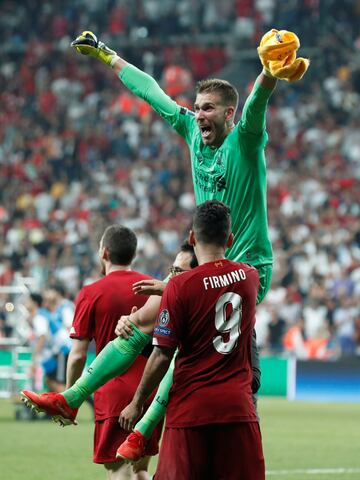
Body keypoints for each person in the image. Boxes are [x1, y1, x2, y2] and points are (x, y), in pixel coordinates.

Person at [119, 200, 265, 480]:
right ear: (230, 239)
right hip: (238, 409)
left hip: (191, 411)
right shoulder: (249, 277)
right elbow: (214, 288)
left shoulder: (179, 287)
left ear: (192, 238)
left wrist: (137, 402)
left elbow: (161, 356)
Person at [22, 225, 164, 480]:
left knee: (118, 472)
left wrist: (68, 396)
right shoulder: (153, 288)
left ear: (104, 252)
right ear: (133, 254)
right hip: (150, 390)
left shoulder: (91, 292)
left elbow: (77, 354)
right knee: (141, 470)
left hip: (112, 393)